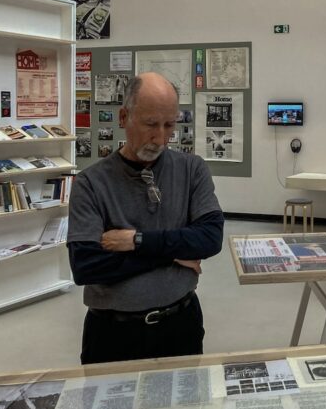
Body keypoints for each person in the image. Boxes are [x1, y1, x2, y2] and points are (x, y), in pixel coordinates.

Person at [67, 72, 224, 364]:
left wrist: (136, 241)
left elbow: (210, 238)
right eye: (151, 124)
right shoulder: (91, 183)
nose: (161, 138)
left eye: (170, 125)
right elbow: (87, 266)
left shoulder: (192, 170)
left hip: (180, 325)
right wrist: (174, 254)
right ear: (124, 117)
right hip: (113, 334)